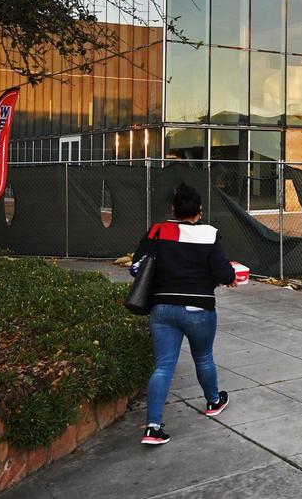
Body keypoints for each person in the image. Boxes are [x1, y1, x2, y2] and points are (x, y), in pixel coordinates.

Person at [130, 183, 238, 446]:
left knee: (163, 366)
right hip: (199, 308)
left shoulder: (157, 231)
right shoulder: (210, 234)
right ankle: (213, 401)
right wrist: (231, 277)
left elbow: (136, 268)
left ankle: (153, 428)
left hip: (162, 308)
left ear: (173, 209)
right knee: (203, 356)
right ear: (199, 211)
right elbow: (223, 273)